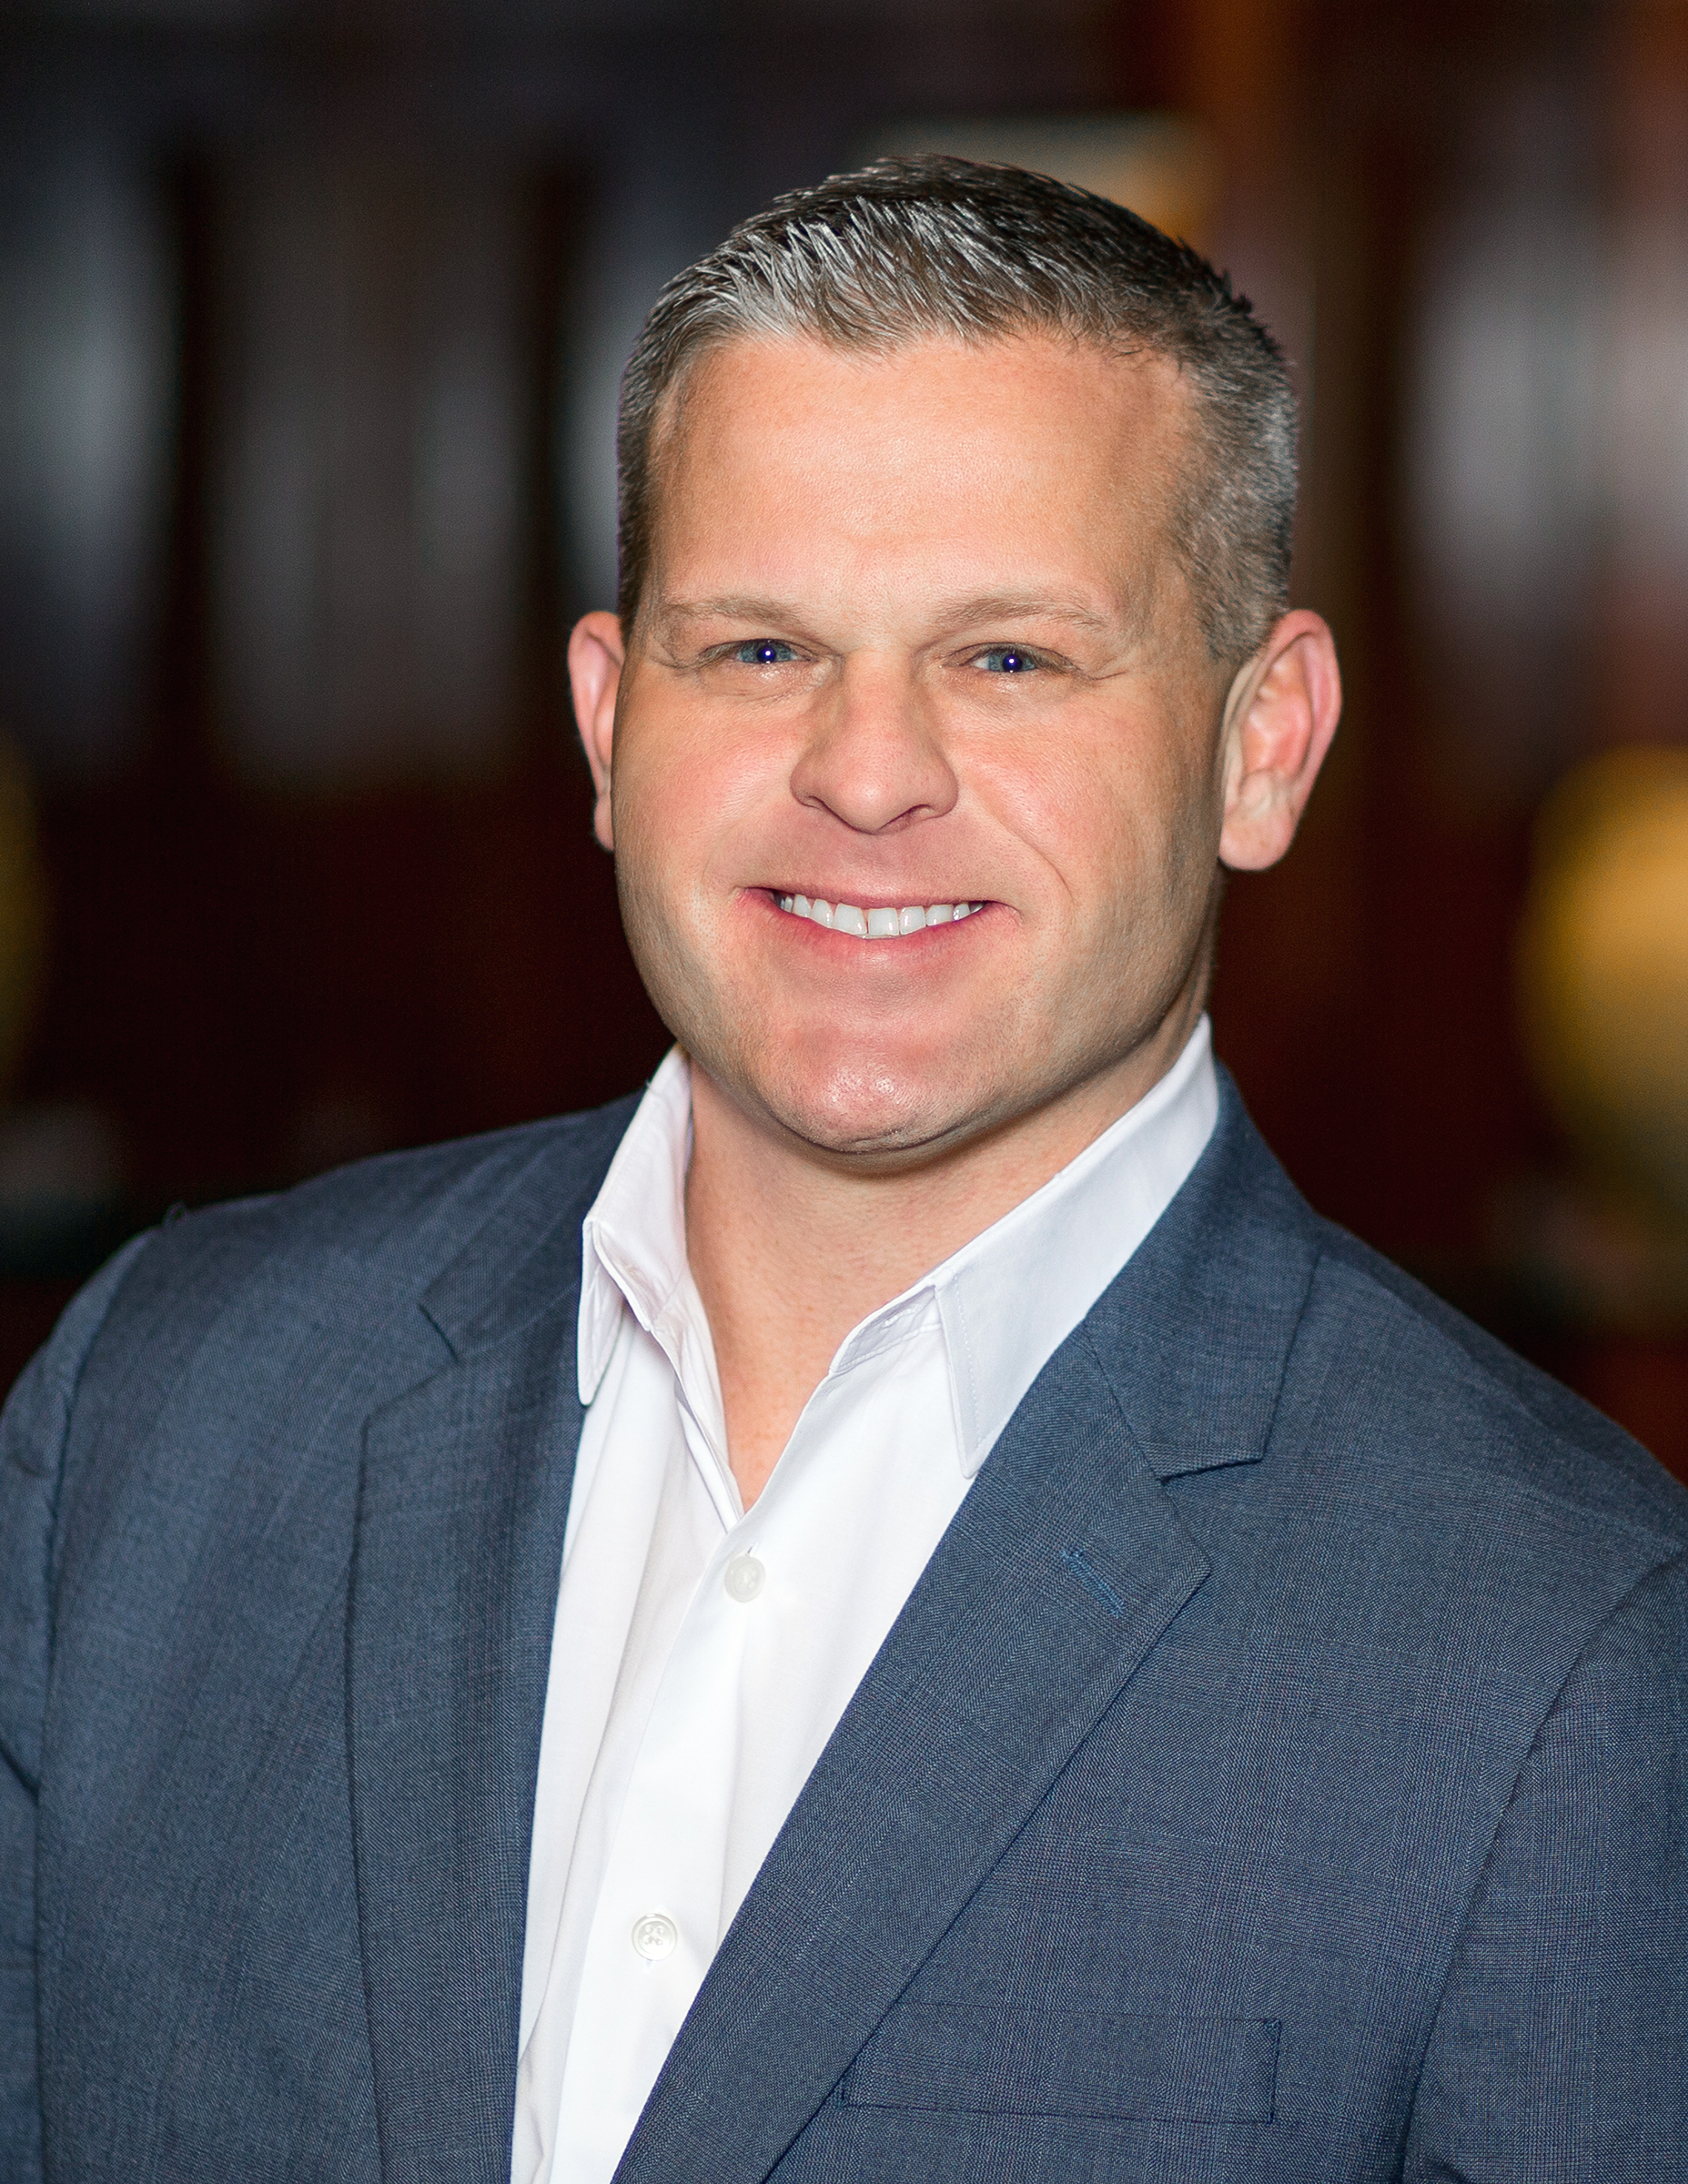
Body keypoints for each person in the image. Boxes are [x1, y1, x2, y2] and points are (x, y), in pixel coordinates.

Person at [2, 157, 1684, 2184]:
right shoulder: (156, 1423)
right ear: (608, 725)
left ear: (1264, 743)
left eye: (1009, 660)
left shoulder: (1563, 1653)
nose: (867, 774)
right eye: (760, 651)